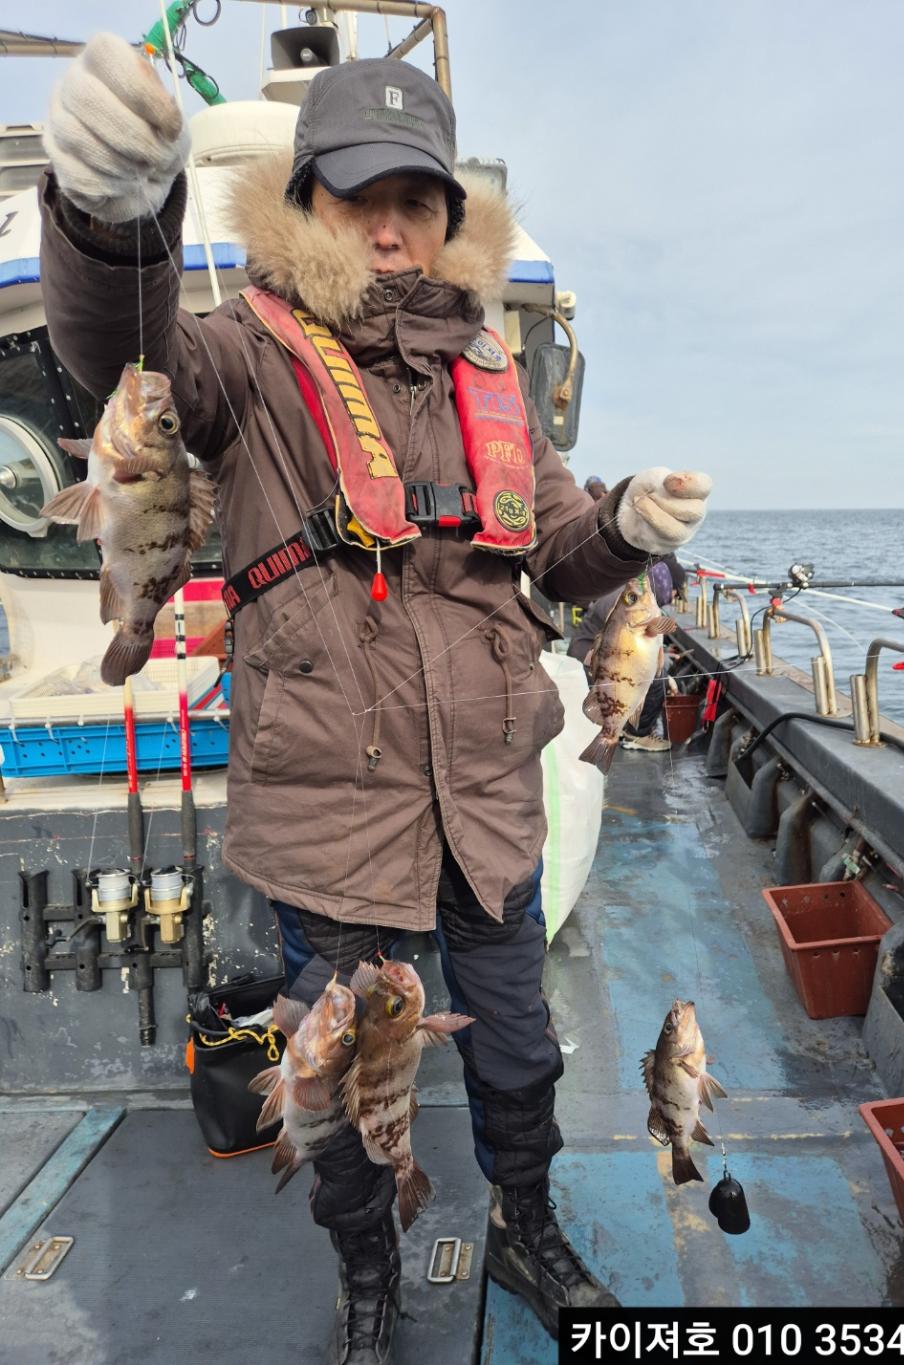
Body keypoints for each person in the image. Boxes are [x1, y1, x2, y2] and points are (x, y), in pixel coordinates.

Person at [40, 36, 711, 1364]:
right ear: (313, 208)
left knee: (521, 1056)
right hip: (332, 820)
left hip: (490, 810)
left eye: (416, 196)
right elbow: (126, 353)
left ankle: (523, 1219)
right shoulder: (246, 356)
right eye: (359, 194)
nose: (391, 225)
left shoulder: (494, 379)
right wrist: (112, 219)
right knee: (337, 1082)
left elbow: (564, 556)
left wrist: (626, 525)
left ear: (450, 216)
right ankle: (368, 1273)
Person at [568, 555, 682, 754]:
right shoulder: (623, 609)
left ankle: (620, 728)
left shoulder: (631, 606)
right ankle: (637, 735)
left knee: (654, 676)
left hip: (600, 659)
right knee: (658, 681)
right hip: (586, 658)